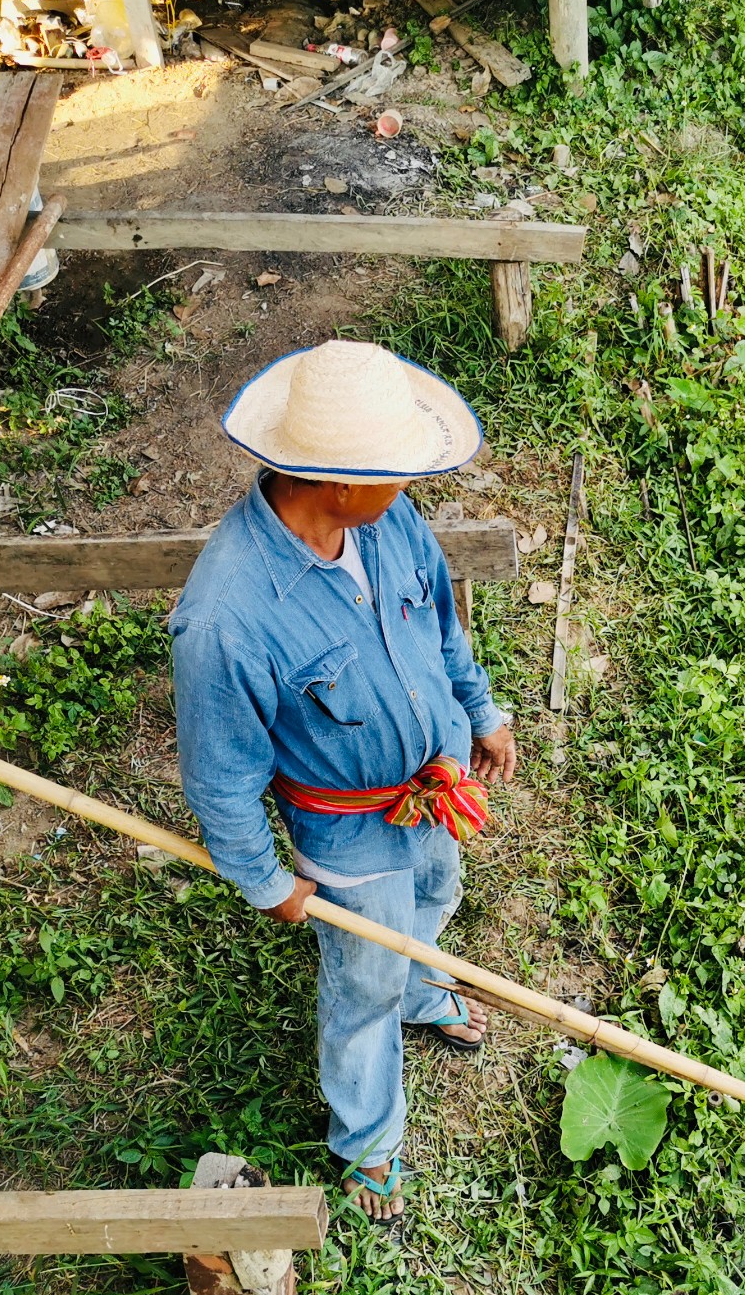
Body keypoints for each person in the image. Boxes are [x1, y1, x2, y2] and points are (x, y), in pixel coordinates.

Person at [171, 339, 517, 1227]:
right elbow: (220, 780)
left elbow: (440, 623)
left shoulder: (387, 522)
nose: (409, 486)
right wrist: (265, 881)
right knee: (361, 979)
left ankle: (421, 987)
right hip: (350, 831)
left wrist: (478, 711)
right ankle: (368, 1143)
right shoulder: (227, 617)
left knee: (438, 891)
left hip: (435, 786)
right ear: (332, 481)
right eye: (394, 472)